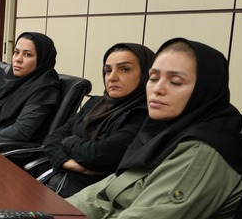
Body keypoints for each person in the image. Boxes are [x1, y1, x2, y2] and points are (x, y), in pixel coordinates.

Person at [68, 38, 242, 219]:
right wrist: (54, 218)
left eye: (175, 82)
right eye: (153, 78)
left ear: (204, 89)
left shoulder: (204, 150)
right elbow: (103, 193)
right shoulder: (163, 133)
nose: (158, 89)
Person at [39, 43, 155, 197]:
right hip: (55, 181)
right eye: (108, 70)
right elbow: (52, 138)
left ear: (145, 74)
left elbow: (97, 155)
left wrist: (68, 141)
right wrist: (68, 163)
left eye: (124, 69)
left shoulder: (144, 115)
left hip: (91, 197)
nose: (112, 77)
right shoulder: (95, 103)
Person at [0, 32, 61, 145]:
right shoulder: (14, 83)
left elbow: (21, 131)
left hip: (5, 149)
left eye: (27, 54)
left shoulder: (45, 90)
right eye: (16, 52)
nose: (18, 59)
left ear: (42, 59)